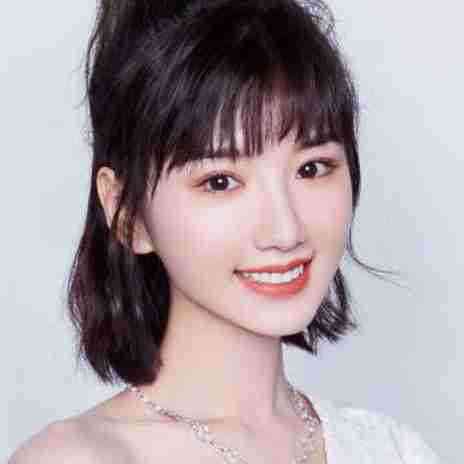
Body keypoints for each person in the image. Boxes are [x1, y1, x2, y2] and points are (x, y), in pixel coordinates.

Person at [9, 0, 443, 462]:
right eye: (220, 182)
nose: (285, 230)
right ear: (126, 212)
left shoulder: (394, 451)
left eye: (312, 168)